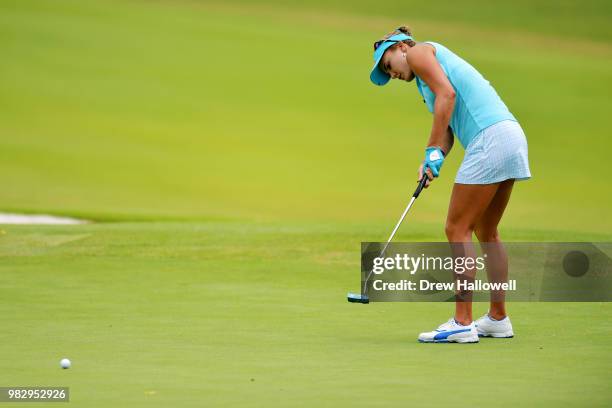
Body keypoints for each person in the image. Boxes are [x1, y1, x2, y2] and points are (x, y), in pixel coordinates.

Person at [370, 26, 531, 343]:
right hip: (509, 136)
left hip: (489, 139)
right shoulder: (425, 80)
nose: (392, 74)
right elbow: (447, 130)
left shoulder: (418, 53)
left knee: (456, 229)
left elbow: (449, 94)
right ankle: (498, 318)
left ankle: (462, 321)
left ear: (402, 47)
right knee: (487, 232)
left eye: (388, 64)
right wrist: (433, 157)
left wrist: (431, 149)